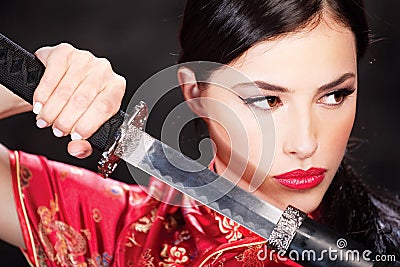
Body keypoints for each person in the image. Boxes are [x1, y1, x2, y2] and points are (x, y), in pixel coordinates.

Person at [0, 0, 399, 266]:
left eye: (334, 95)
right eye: (266, 101)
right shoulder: (116, 228)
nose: (306, 143)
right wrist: (38, 85)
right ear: (194, 93)